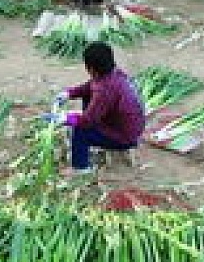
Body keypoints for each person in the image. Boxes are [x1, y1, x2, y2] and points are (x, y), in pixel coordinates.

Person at [44, 42, 145, 174]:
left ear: (90, 69)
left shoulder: (105, 90)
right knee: (87, 98)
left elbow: (86, 122)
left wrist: (64, 118)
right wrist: (69, 93)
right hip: (130, 126)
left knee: (81, 131)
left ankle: (81, 168)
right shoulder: (114, 74)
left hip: (125, 137)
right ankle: (95, 132)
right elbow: (89, 86)